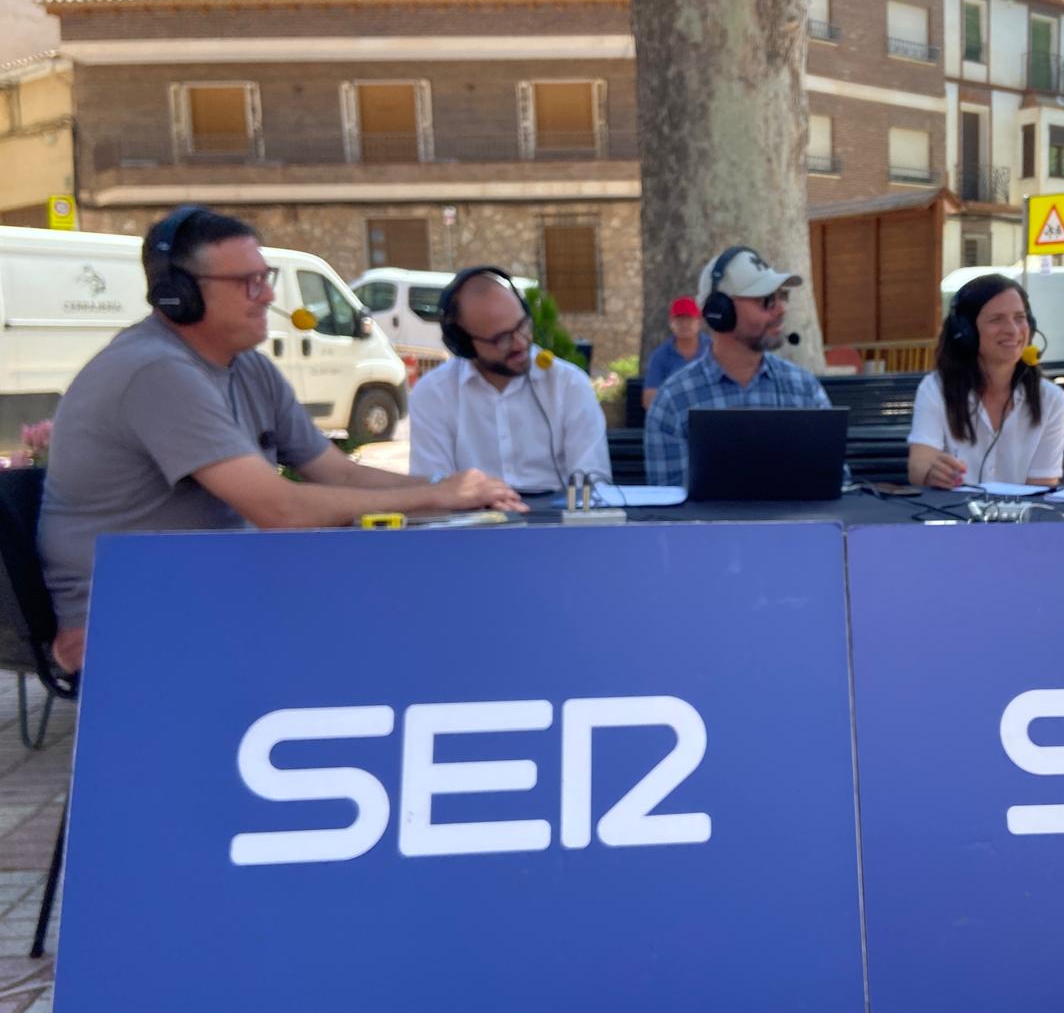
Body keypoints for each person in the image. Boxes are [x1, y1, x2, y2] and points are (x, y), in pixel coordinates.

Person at [39, 208, 525, 672]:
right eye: (247, 283)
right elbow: (279, 510)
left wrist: (458, 496)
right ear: (178, 294)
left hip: (208, 588)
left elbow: (339, 472)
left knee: (418, 605)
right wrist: (437, 494)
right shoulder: (155, 371)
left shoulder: (247, 366)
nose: (268, 296)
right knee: (389, 634)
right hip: (124, 617)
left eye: (264, 276)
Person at [409, 266, 610, 492]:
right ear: (464, 344)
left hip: (557, 522)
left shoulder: (569, 384)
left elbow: (594, 485)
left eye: (522, 325)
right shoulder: (432, 394)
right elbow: (433, 491)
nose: (520, 343)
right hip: (472, 524)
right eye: (501, 338)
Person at [645, 246, 831, 486]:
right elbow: (669, 512)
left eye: (782, 296)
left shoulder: (804, 390)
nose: (781, 308)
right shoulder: (673, 402)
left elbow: (833, 486)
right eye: (766, 300)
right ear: (720, 312)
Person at [908, 274, 1064, 488]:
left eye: (1020, 318)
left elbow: (1042, 487)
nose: (1012, 330)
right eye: (997, 319)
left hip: (1024, 520)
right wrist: (932, 473)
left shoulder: (1050, 397)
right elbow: (919, 466)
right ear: (966, 332)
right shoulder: (936, 389)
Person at [642, 295, 710, 409]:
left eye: (689, 318)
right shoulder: (660, 356)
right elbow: (649, 400)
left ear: (700, 322)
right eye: (679, 320)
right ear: (671, 323)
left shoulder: (713, 350)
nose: (684, 324)